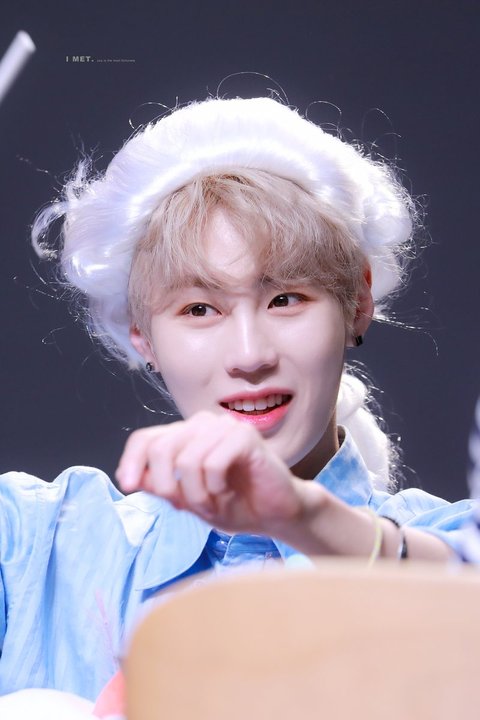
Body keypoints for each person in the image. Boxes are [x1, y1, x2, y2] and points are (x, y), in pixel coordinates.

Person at [0, 96, 473, 706]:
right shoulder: (29, 546)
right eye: (199, 309)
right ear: (141, 333)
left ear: (358, 301)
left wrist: (306, 519)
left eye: (286, 299)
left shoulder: (453, 547)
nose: (249, 355)